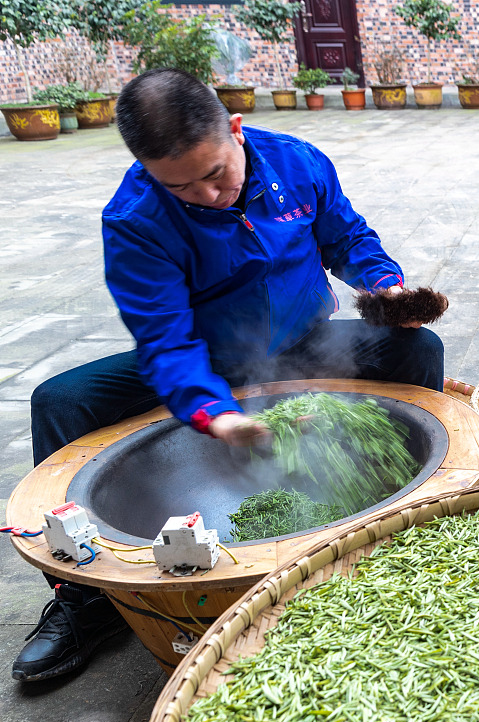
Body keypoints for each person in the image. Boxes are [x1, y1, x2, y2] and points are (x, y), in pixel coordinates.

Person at [13, 68, 444, 682]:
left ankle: (408, 510)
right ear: (147, 168)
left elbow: (347, 238)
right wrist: (214, 412)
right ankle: (85, 600)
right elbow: (165, 338)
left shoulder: (296, 163)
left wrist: (384, 285)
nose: (208, 196)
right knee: (62, 400)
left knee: (414, 350)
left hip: (304, 338)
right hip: (206, 360)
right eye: (182, 189)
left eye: (216, 174)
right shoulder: (135, 219)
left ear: (235, 131)